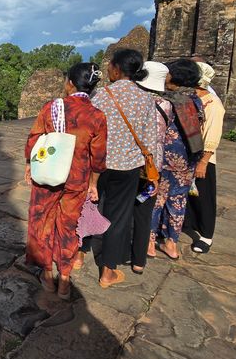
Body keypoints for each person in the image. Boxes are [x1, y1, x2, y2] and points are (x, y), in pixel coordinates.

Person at [25, 63, 107, 299]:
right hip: (77, 180)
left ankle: (47, 276)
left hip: (47, 176)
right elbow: (99, 158)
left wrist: (30, 165)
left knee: (42, 223)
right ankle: (64, 280)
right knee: (69, 228)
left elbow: (34, 138)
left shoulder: (52, 108)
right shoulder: (97, 116)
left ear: (70, 83)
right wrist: (93, 183)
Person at [86, 49, 158, 288]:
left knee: (90, 207)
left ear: (117, 69)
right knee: (119, 218)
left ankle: (77, 256)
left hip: (100, 164)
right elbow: (150, 139)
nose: (107, 70)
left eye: (109, 67)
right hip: (129, 167)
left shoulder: (101, 96)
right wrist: (153, 172)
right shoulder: (146, 98)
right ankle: (107, 272)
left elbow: (90, 130)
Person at [151, 59, 205, 260]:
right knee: (177, 201)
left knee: (156, 198)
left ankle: (149, 241)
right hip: (187, 159)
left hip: (165, 158)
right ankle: (171, 243)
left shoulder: (167, 101)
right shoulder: (196, 100)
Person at [131, 61, 170, 274]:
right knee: (144, 213)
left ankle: (114, 255)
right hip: (153, 166)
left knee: (119, 210)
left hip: (131, 161)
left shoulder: (136, 101)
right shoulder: (166, 105)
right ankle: (138, 261)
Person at [188, 62, 225, 254]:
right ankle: (190, 222)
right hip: (188, 154)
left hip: (203, 157)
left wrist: (203, 161)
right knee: (189, 194)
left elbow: (212, 135)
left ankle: (206, 235)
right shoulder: (192, 99)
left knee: (204, 196)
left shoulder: (213, 104)